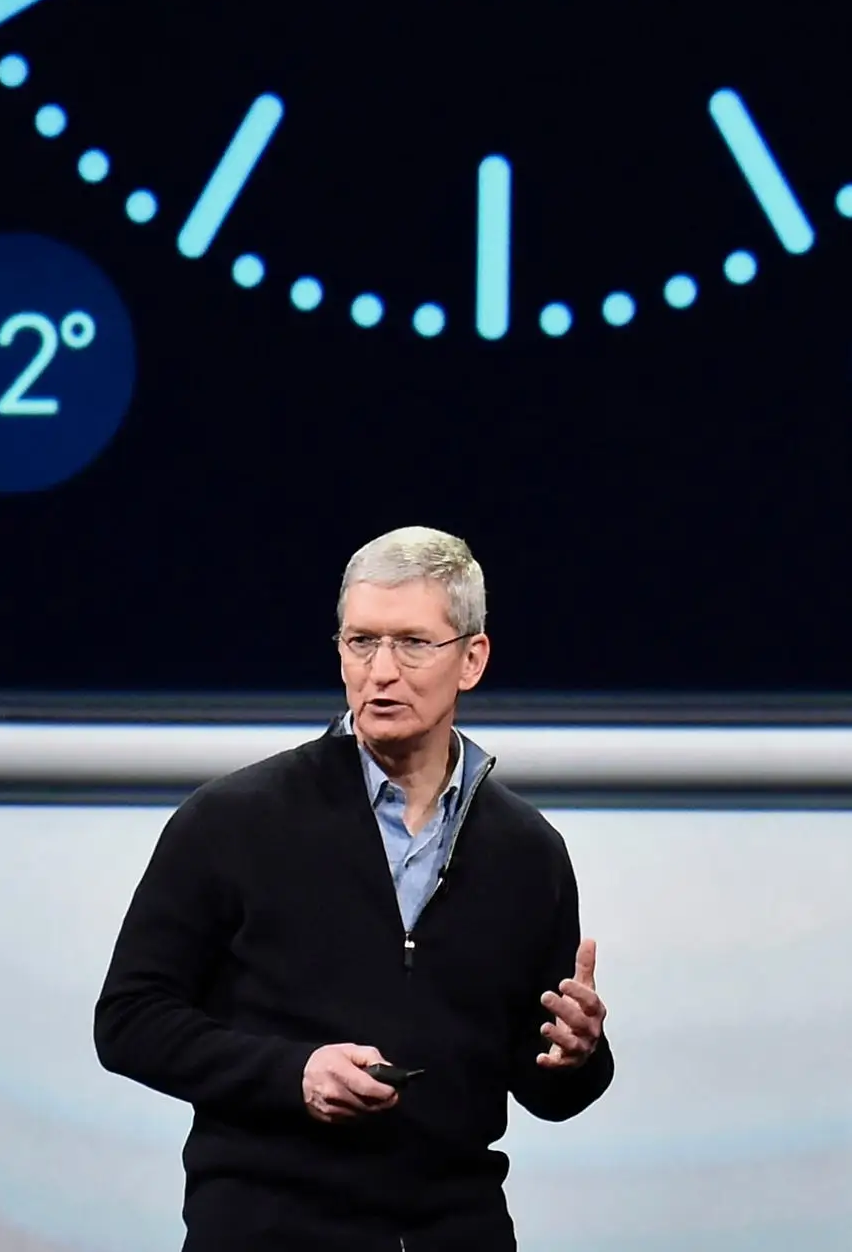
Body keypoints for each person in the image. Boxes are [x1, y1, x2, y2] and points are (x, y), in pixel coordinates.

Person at [95, 526, 612, 1248]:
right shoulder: (232, 821)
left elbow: (547, 1091)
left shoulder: (527, 853)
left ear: (472, 659)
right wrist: (292, 1073)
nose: (381, 672)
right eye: (360, 642)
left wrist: (579, 1056)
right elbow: (128, 1020)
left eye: (412, 644)